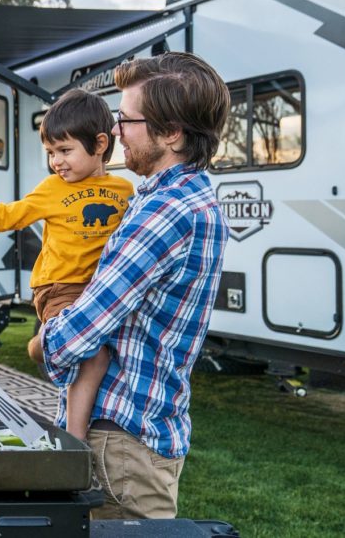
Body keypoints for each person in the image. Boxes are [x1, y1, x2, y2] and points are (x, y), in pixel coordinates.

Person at [38, 52, 231, 519]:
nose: (117, 129)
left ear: (172, 133)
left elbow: (78, 334)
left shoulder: (165, 213)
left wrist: (43, 339)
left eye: (127, 119)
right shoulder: (191, 199)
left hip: (121, 449)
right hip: (143, 436)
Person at [0, 88, 134, 440]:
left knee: (107, 357)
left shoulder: (124, 191)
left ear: (100, 143)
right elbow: (8, 216)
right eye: (50, 153)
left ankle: (54, 354)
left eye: (65, 150)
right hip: (60, 289)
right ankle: (74, 438)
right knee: (94, 356)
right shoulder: (51, 189)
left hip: (100, 291)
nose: (56, 161)